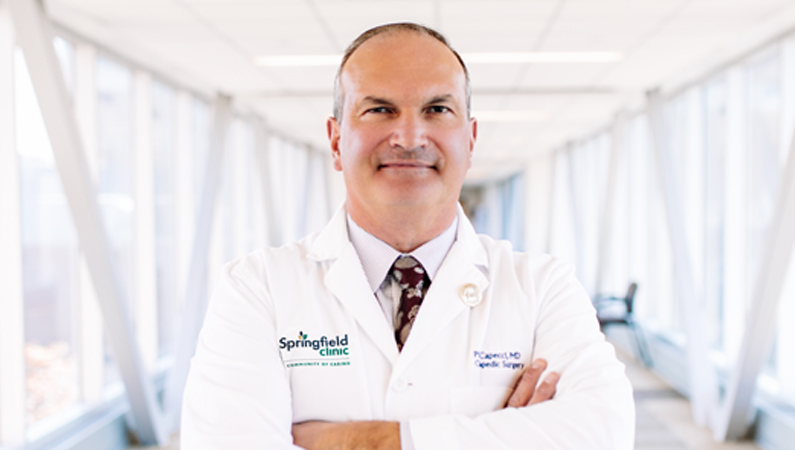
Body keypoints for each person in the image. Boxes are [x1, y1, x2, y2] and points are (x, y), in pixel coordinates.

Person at [181, 22, 635, 450]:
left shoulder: (541, 288)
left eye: (437, 109)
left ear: (470, 141)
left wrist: (362, 440)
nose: (409, 135)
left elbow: (604, 430)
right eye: (380, 109)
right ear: (337, 141)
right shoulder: (256, 288)